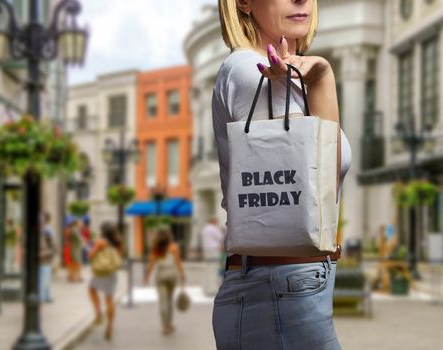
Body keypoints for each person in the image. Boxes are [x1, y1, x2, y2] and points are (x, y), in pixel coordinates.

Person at [212, 1, 352, 349]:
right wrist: (322, 81)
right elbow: (315, 182)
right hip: (278, 291)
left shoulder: (290, 76)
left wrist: (321, 79)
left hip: (287, 289)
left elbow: (321, 186)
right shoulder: (251, 71)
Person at [144, 227, 186, 336]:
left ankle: (164, 327)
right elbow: (178, 263)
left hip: (161, 276)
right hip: (172, 275)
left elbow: (151, 264)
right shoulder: (174, 247)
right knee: (170, 300)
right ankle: (170, 324)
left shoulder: (156, 248)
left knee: (163, 302)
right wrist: (182, 276)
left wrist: (146, 277)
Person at [88, 222, 123, 341]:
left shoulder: (100, 242)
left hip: (99, 273)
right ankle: (110, 327)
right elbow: (119, 257)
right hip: (111, 273)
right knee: (109, 299)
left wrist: (96, 248)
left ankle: (98, 314)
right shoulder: (118, 242)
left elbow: (90, 256)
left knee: (91, 290)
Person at [200, 217, 224, 295]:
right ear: (214, 221)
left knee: (207, 270)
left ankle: (206, 288)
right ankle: (212, 289)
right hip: (214, 251)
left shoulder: (205, 229)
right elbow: (221, 237)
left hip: (207, 251)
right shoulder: (213, 229)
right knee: (213, 270)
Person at [39, 212, 57, 303]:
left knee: (44, 282)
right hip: (36, 263)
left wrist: (44, 253)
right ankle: (44, 297)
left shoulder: (48, 233)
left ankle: (43, 298)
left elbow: (54, 249)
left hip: (45, 262)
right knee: (42, 282)